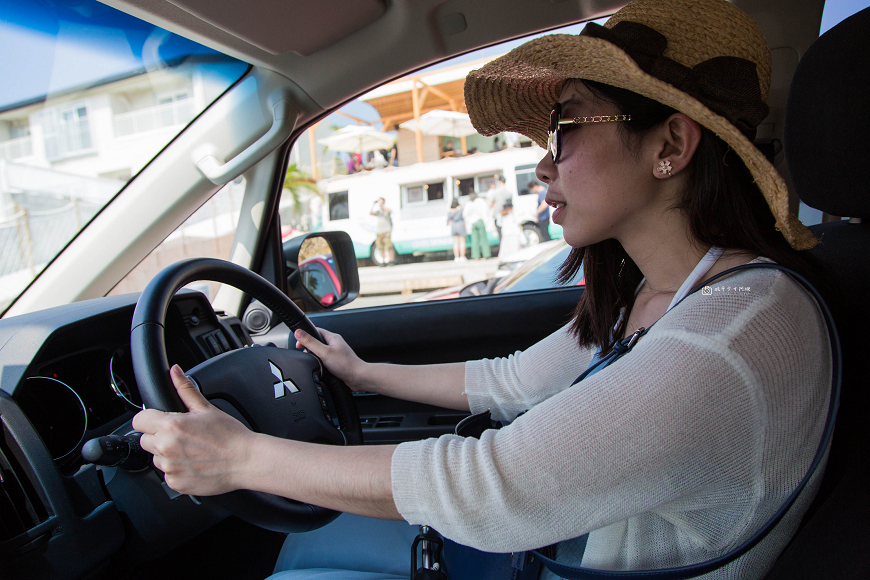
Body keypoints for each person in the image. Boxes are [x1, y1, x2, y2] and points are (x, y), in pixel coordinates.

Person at [133, 1, 834, 578]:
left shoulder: (736, 333)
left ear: (670, 147)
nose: (541, 165)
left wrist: (238, 458)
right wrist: (362, 370)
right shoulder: (660, 294)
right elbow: (513, 382)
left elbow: (493, 484)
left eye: (565, 128)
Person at [462, 191, 491, 260]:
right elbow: (486, 210)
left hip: (472, 222)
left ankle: (476, 256)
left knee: (474, 240)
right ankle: (486, 255)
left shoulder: (468, 203)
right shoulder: (480, 201)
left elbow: (465, 214)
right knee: (483, 238)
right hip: (480, 220)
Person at [370, 197, 394, 266]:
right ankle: (383, 261)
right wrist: (374, 204)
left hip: (386, 231)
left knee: (389, 246)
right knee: (380, 247)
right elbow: (371, 213)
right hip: (379, 231)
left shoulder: (386, 210)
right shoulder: (379, 211)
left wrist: (382, 205)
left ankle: (391, 261)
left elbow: (389, 212)